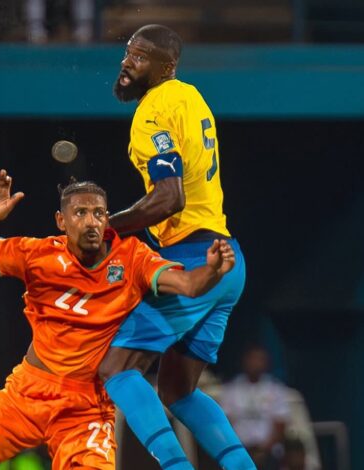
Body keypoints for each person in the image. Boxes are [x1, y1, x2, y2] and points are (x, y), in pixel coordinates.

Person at [0, 168, 236, 469]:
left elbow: (189, 286)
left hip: (87, 409)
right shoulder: (36, 255)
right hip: (25, 394)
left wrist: (212, 271)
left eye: (99, 213)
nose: (91, 221)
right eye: (80, 213)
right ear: (61, 220)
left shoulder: (132, 258)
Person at [97, 24, 253, 470]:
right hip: (228, 261)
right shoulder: (191, 96)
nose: (128, 63)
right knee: (178, 389)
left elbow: (169, 197)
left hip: (193, 260)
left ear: (166, 67)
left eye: (141, 57)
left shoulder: (152, 111)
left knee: (115, 367)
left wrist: (109, 229)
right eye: (128, 53)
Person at [221, 345, 291, 469]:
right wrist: (240, 449)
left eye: (259, 359)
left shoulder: (276, 390)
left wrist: (263, 450)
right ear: (244, 361)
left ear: (266, 363)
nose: (255, 363)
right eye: (252, 359)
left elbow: (280, 425)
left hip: (268, 453)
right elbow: (226, 423)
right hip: (240, 450)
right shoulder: (231, 390)